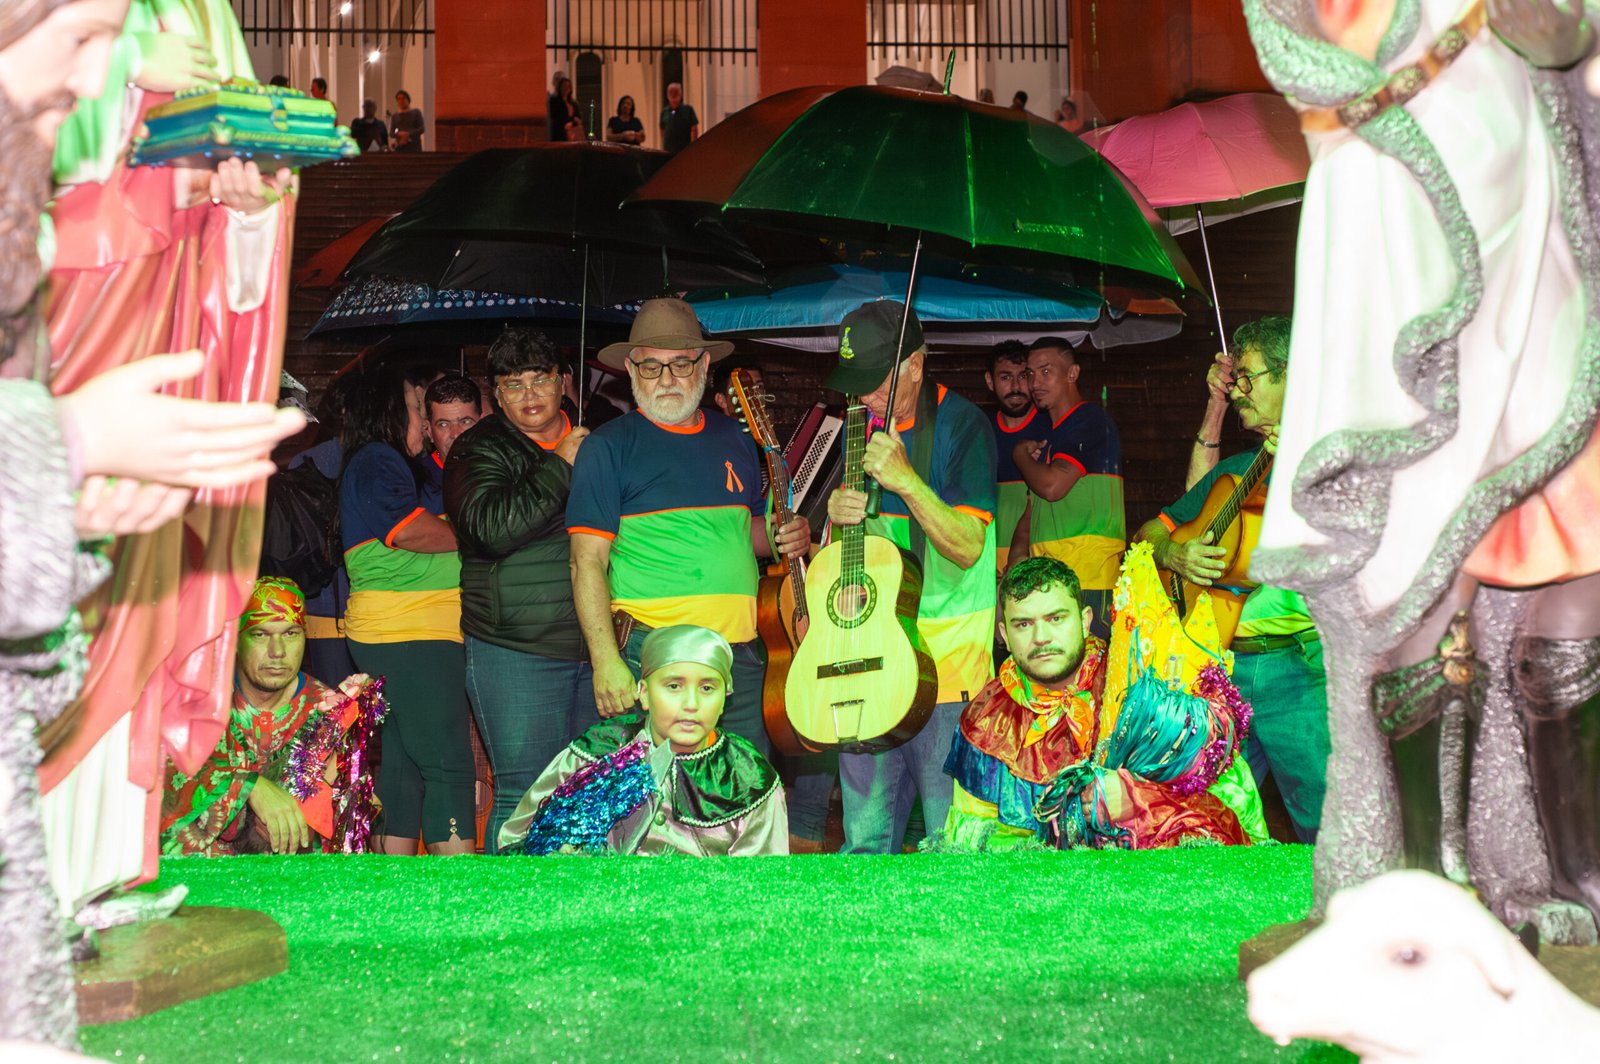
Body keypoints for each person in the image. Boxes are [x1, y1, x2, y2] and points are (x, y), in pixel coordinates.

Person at [1242, 0, 1600, 922]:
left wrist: (1561, 32)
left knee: (1574, 540)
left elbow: (1572, 37)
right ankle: (1422, 873)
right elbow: (1300, 44)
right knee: (1411, 559)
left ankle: (1570, 872)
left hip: (1540, 220)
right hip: (1400, 228)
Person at [0, 0, 303, 1045]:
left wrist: (249, 202)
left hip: (162, 321)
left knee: (128, 598)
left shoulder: (202, 7)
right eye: (82, 43)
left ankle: (87, 872)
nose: (91, 68)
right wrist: (136, 94)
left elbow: (238, 221)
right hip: (66, 321)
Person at [567, 298, 811, 762]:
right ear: (631, 369)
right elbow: (586, 562)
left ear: (702, 365)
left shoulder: (735, 438)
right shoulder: (607, 447)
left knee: (741, 787)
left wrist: (787, 534)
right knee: (652, 795)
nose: (666, 379)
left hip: (742, 654)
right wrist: (605, 660)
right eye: (651, 366)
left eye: (680, 364)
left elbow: (746, 536)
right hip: (653, 653)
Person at [1134, 316, 1329, 842]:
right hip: (1223, 672)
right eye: (1234, 379)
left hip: (1301, 671)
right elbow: (1151, 532)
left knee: (1327, 828)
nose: (1238, 389)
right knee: (1203, 825)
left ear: (1292, 375)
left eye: (1248, 377)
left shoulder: (1335, 459)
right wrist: (1175, 554)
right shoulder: (1237, 470)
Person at [824, 300, 998, 854]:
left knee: (954, 847)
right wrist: (837, 523)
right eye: (853, 382)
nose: (861, 395)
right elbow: (850, 566)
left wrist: (906, 481)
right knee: (864, 845)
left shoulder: (963, 424)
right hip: (869, 669)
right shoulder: (856, 427)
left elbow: (968, 547)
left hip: (947, 673)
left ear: (915, 366)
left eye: (873, 381)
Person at [443, 328, 594, 853]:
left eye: (540, 380)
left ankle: (578, 899)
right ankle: (508, 903)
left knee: (592, 791)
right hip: (516, 649)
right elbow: (491, 529)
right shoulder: (476, 448)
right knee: (525, 792)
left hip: (598, 645)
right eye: (513, 384)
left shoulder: (600, 438)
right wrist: (559, 466)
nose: (530, 395)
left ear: (562, 381)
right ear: (497, 395)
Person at [500, 625, 788, 856]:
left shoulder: (747, 777)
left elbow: (760, 883)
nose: (691, 704)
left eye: (707, 688)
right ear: (644, 693)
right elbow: (518, 839)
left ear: (725, 699)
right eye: (673, 686)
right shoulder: (599, 752)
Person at [339, 361, 474, 855]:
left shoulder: (387, 463)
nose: (424, 419)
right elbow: (409, 531)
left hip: (397, 632)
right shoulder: (377, 459)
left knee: (402, 764)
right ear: (389, 412)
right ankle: (460, 889)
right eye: (419, 408)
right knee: (447, 762)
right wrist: (481, 530)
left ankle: (392, 885)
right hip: (411, 631)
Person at [160, 577, 382, 857]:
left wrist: (310, 827)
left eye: (290, 634)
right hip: (206, 871)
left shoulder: (326, 712)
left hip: (291, 873)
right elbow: (164, 784)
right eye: (260, 635)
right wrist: (248, 786)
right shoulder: (200, 702)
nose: (277, 652)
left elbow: (352, 817)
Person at [1009, 336, 1124, 639]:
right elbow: (1031, 515)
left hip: (1089, 582)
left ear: (1072, 373)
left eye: (1046, 372)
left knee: (1089, 668)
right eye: (1030, 374)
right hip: (1053, 582)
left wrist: (1019, 455)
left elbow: (1052, 486)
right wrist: (1015, 570)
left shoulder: (1090, 421)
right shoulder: (1051, 438)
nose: (1035, 383)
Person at [985, 339, 1036, 573]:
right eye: (1006, 377)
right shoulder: (978, 431)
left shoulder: (1052, 427)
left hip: (1037, 565)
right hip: (984, 565)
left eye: (1023, 376)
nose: (1016, 386)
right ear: (990, 381)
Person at [422, 373, 481, 465]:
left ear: (483, 424)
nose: (455, 434)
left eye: (465, 422)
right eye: (443, 424)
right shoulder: (415, 473)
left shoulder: (501, 470)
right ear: (429, 431)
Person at [659, 81, 698, 152]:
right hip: (668, 150)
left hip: (685, 150)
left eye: (676, 92)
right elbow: (662, 130)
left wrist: (693, 147)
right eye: (671, 92)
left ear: (680, 94)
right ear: (667, 95)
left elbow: (694, 129)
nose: (673, 94)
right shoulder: (664, 111)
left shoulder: (688, 110)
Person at [547, 72, 580, 142]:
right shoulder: (553, 101)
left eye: (568, 87)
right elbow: (555, 117)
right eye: (564, 86)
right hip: (559, 134)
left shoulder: (574, 103)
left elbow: (578, 118)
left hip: (572, 134)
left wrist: (572, 123)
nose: (566, 88)